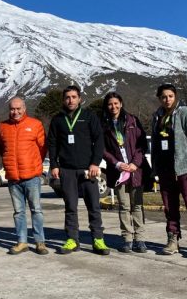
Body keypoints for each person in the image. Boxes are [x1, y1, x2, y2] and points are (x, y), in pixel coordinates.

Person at [47, 85, 110, 255]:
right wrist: (54, 164)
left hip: (88, 170)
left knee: (94, 206)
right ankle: (72, 240)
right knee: (70, 207)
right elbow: (52, 144)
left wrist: (95, 163)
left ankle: (98, 239)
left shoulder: (89, 116)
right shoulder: (57, 119)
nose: (71, 100)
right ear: (63, 100)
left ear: (80, 98)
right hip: (67, 170)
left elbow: (99, 141)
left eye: (74, 97)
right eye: (67, 97)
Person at [151, 84, 187, 258]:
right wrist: (155, 167)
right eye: (163, 97)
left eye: (170, 96)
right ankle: (173, 238)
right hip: (165, 169)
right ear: (159, 98)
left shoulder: (185, 113)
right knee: (170, 208)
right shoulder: (157, 116)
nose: (167, 99)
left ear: (175, 96)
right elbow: (155, 144)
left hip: (185, 169)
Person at [0, 96, 48, 255]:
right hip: (13, 178)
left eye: (18, 108)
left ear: (24, 109)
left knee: (36, 210)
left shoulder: (35, 124)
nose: (15, 112)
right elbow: (1, 148)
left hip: (32, 177)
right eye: (12, 109)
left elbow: (42, 148)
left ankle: (40, 242)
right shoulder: (2, 126)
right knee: (18, 212)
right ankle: (22, 242)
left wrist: (34, 165)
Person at [101, 92, 150, 253]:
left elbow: (141, 144)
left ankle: (140, 239)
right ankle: (127, 238)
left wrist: (135, 164)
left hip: (135, 171)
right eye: (110, 104)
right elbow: (102, 149)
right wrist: (117, 164)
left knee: (137, 205)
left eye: (116, 103)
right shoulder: (104, 123)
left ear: (121, 104)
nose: (113, 107)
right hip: (119, 171)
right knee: (124, 205)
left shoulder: (132, 120)